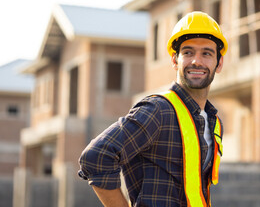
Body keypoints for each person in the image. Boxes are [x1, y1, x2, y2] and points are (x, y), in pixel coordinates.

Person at [78, 11, 228, 207]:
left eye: (206, 53)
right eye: (188, 52)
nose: (196, 61)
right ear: (175, 60)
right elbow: (96, 156)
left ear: (219, 63)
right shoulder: (157, 110)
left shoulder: (214, 122)